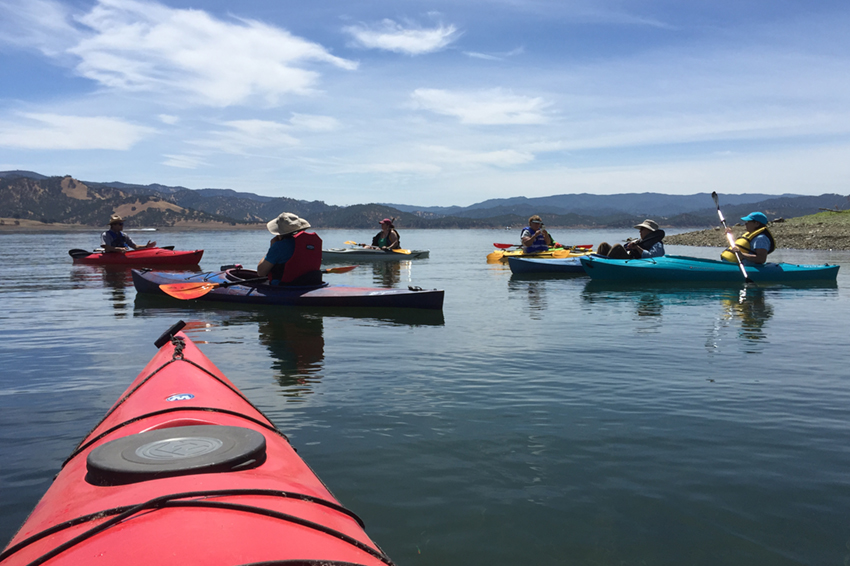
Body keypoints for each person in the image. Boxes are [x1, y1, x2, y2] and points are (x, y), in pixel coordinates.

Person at [257, 212, 323, 286]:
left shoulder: (279, 246)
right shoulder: (309, 244)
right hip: (310, 284)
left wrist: (272, 247)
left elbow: (261, 272)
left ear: (279, 232)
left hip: (285, 287)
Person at [597, 219, 665, 259]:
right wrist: (630, 246)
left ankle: (605, 266)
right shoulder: (641, 241)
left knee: (617, 247)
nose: (640, 231)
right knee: (603, 245)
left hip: (635, 262)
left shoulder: (657, 244)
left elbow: (654, 257)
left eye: (642, 229)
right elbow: (626, 248)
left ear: (650, 231)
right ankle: (596, 262)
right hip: (630, 258)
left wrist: (637, 248)